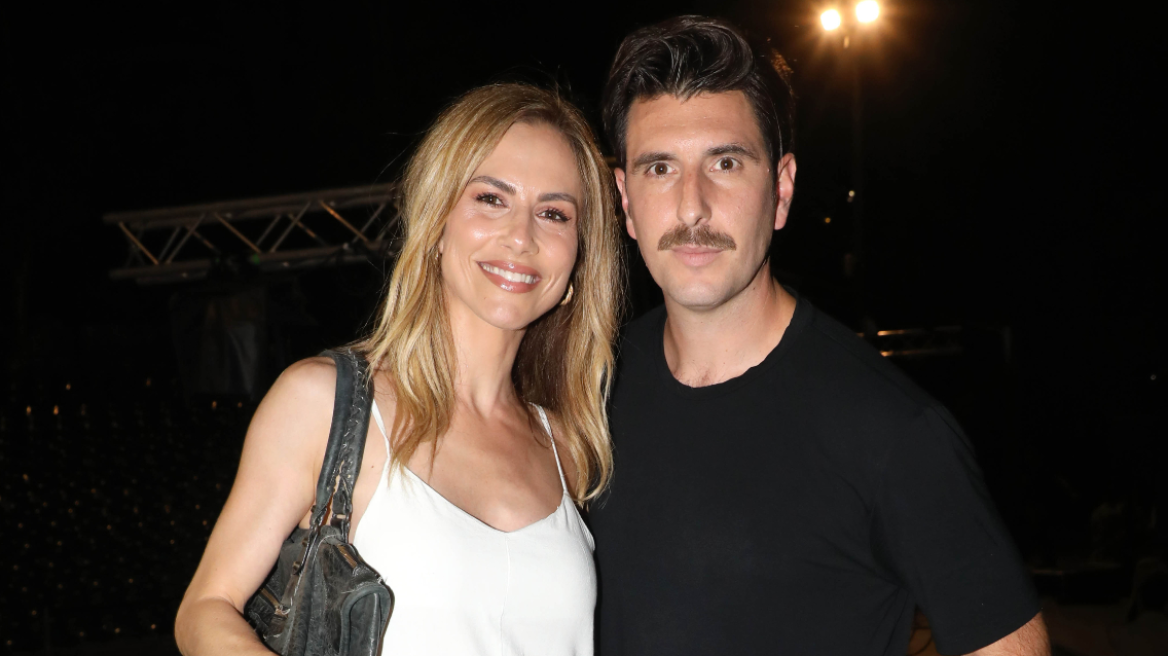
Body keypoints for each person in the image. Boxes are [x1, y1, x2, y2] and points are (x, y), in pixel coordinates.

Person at [590, 16, 1049, 656]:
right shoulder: (591, 389)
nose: (692, 206)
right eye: (660, 168)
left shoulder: (893, 431)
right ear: (625, 200)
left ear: (780, 190)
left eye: (726, 162)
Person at [175, 83, 622, 655]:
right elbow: (205, 610)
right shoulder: (325, 404)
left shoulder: (568, 445)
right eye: (491, 198)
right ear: (437, 224)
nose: (521, 236)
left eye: (554, 213)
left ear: (578, 259)